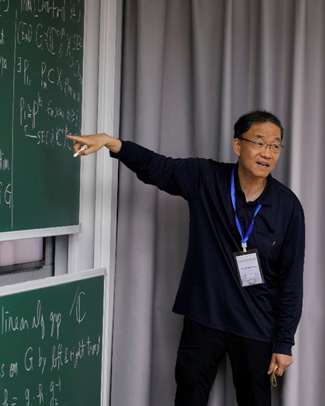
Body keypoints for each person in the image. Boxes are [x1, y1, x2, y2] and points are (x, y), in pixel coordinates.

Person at [66, 110, 305, 406]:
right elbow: (158, 167)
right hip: (205, 317)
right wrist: (111, 143)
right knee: (189, 398)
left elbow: (292, 281)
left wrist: (284, 342)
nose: (267, 153)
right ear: (238, 145)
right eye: (259, 143)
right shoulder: (206, 178)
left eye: (274, 145)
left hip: (256, 323)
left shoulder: (288, 207)